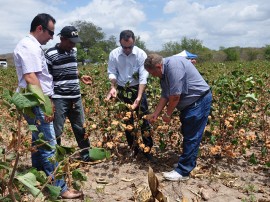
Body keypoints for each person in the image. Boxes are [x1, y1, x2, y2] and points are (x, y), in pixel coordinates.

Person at [13, 13, 82, 199]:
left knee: (39, 142)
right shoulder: (29, 46)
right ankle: (60, 188)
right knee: (50, 145)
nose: (52, 37)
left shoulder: (34, 46)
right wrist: (46, 106)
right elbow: (31, 78)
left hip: (37, 99)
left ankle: (39, 176)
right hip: (35, 101)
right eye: (51, 32)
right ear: (40, 28)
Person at [144, 53, 212, 181]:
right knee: (188, 134)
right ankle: (188, 163)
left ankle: (183, 171)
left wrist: (168, 114)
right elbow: (165, 95)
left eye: (152, 73)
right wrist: (156, 114)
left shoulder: (174, 68)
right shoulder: (164, 73)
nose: (153, 76)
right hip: (191, 104)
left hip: (198, 102)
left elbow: (175, 96)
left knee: (192, 136)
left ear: (158, 66)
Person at [46, 26, 92, 162]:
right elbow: (46, 78)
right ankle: (56, 157)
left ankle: (85, 154)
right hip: (59, 98)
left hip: (76, 97)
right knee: (56, 130)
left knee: (80, 127)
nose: (73, 45)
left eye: (75, 42)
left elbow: (71, 70)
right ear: (62, 39)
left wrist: (80, 76)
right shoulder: (50, 54)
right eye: (70, 42)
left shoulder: (74, 51)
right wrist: (49, 100)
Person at [105, 30, 153, 160]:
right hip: (122, 89)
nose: (127, 50)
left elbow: (143, 77)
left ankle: (148, 150)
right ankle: (134, 148)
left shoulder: (141, 54)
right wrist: (113, 87)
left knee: (144, 119)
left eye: (129, 47)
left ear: (134, 42)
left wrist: (139, 97)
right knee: (127, 121)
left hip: (137, 88)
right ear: (120, 42)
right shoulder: (114, 54)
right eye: (124, 47)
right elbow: (112, 72)